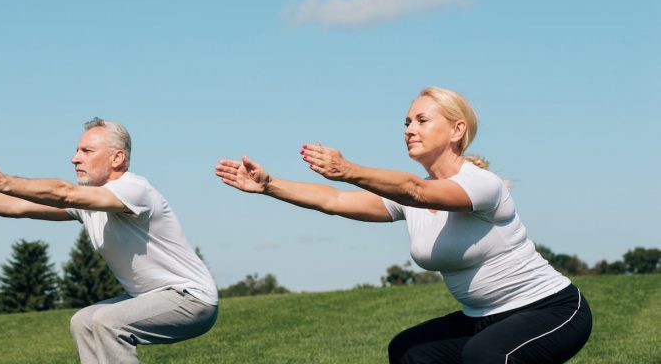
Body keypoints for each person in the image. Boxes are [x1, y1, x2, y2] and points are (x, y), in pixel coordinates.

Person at [214, 87, 591, 363]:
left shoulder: (480, 185)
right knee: (410, 351)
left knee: (486, 356)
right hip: (482, 319)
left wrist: (349, 170)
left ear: (457, 130)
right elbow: (335, 201)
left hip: (551, 310)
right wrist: (269, 185)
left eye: (422, 120)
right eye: (407, 122)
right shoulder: (410, 197)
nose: (410, 128)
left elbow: (418, 191)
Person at [0, 117, 218, 364]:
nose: (74, 159)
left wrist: (3, 181)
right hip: (149, 298)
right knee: (84, 321)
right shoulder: (89, 204)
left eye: (86, 151)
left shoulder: (135, 189)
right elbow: (19, 207)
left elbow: (64, 192)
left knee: (106, 323)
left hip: (190, 298)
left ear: (117, 158)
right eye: (77, 151)